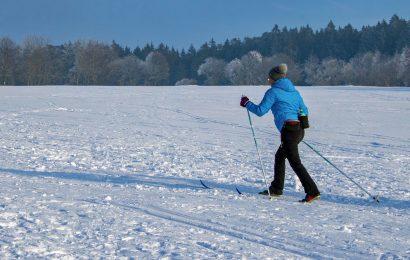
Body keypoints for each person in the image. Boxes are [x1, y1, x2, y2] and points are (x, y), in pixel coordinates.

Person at [240, 63, 320, 203]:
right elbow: (304, 110)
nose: (268, 80)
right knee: (279, 157)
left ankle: (312, 191)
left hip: (288, 131)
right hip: (298, 130)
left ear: (274, 79)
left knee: (295, 163)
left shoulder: (273, 92)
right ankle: (276, 188)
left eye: (269, 78)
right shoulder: (294, 92)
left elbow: (260, 111)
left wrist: (247, 103)